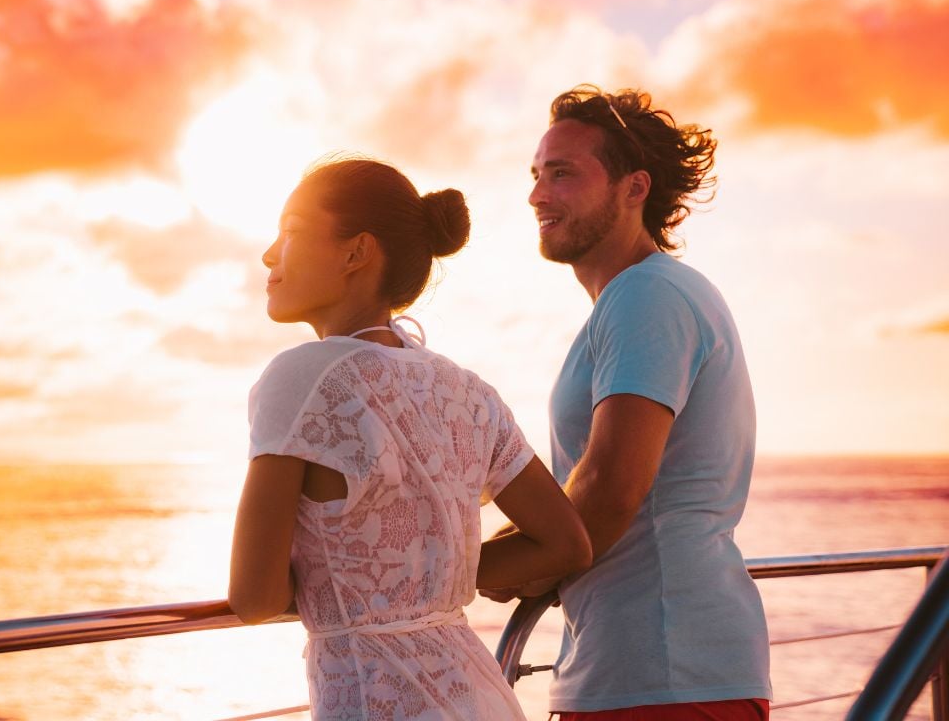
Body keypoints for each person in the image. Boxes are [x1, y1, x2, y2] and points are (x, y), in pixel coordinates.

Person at [228, 157, 592, 720]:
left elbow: (255, 598)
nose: (270, 254)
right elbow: (566, 543)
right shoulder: (467, 391)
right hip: (481, 695)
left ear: (356, 252)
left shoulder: (299, 378)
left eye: (293, 232)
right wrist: (424, 580)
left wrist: (369, 585)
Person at [483, 86, 772, 719]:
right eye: (536, 175)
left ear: (634, 188)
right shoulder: (643, 297)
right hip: (648, 670)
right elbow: (587, 494)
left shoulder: (648, 296)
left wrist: (459, 568)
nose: (537, 194)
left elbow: (611, 489)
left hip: (667, 673)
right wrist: (517, 554)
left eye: (562, 173)